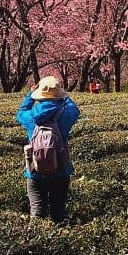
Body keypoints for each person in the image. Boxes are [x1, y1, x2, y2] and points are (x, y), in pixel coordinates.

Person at [16, 76, 81, 223]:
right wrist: (63, 95)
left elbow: (20, 112)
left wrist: (30, 95)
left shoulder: (29, 117)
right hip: (60, 170)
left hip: (34, 171)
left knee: (37, 213)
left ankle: (39, 242)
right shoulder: (65, 115)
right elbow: (75, 110)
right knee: (58, 214)